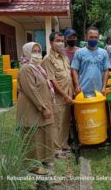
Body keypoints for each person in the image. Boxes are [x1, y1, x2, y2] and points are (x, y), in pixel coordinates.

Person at [17, 42, 55, 175]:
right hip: (31, 108)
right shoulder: (26, 69)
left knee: (42, 134)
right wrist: (43, 107)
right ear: (27, 53)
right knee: (32, 136)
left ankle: (43, 159)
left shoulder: (37, 68)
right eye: (34, 51)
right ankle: (32, 165)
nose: (37, 53)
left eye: (39, 51)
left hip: (39, 107)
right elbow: (32, 91)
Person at [41, 32, 74, 159]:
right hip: (58, 97)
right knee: (57, 123)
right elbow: (52, 81)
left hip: (68, 94)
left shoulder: (64, 57)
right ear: (51, 43)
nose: (61, 43)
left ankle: (64, 143)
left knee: (66, 121)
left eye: (62, 40)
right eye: (58, 40)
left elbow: (68, 75)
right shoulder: (47, 59)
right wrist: (65, 95)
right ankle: (56, 149)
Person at [71, 27, 110, 95]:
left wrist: (104, 87)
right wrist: (77, 86)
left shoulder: (104, 53)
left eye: (96, 37)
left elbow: (106, 70)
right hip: (82, 91)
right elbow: (74, 70)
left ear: (98, 38)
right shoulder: (79, 52)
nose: (93, 39)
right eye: (91, 37)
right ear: (86, 37)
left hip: (99, 91)